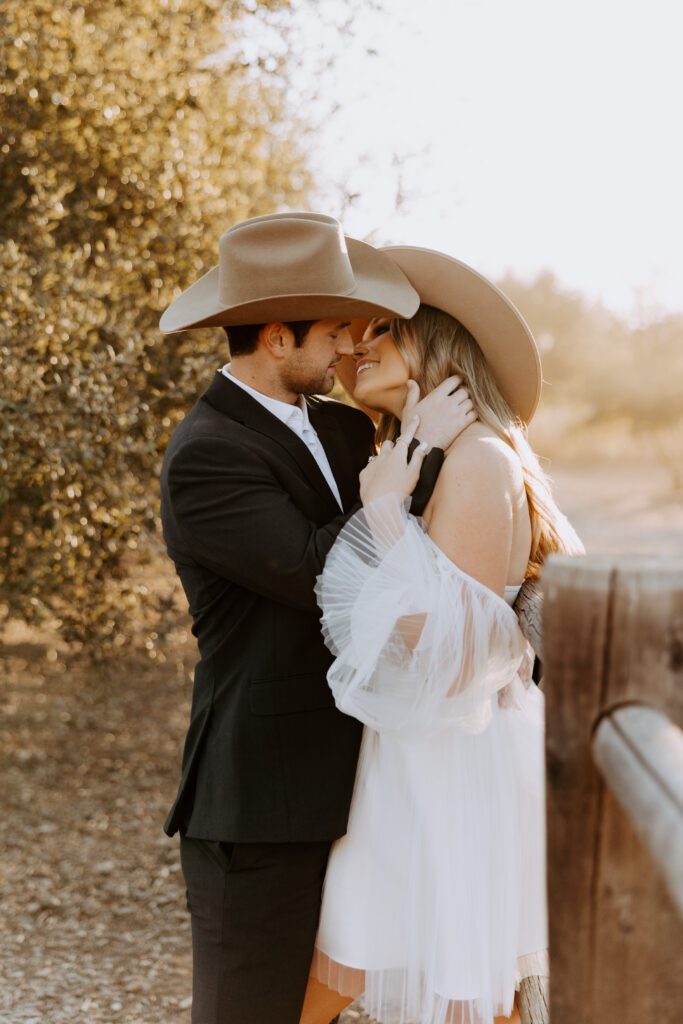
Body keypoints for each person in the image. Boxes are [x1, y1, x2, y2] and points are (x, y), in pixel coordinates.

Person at [158, 214, 476, 1024]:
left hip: (368, 773)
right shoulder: (207, 454)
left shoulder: (342, 427)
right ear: (275, 336)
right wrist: (418, 460)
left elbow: (428, 543)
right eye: (334, 331)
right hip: (263, 793)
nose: (348, 348)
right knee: (250, 1010)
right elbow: (316, 571)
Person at [300, 246, 584, 1024]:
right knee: (396, 959)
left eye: (385, 330)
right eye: (355, 331)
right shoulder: (436, 456)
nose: (359, 345)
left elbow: (456, 652)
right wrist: (407, 459)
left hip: (452, 760)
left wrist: (386, 512)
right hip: (422, 751)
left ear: (439, 346)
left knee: (440, 971)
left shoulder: (478, 460)